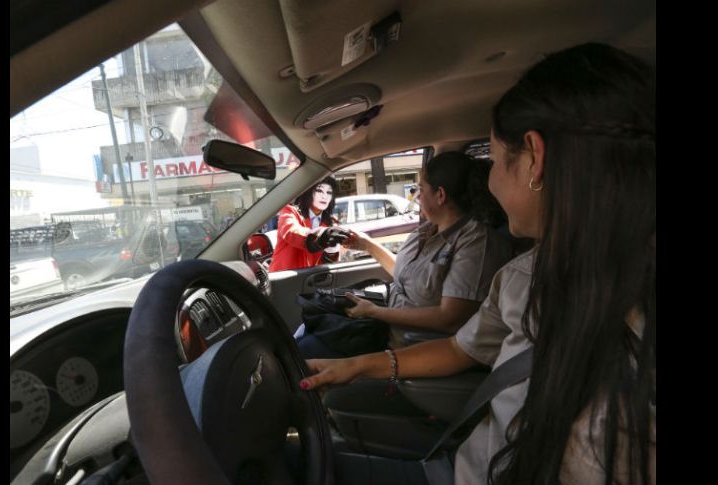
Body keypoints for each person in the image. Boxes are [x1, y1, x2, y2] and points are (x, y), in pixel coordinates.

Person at [300, 43, 655, 485]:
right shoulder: (524, 275)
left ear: (535, 159)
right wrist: (358, 365)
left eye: (491, 158)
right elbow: (459, 347)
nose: (488, 180)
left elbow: (451, 324)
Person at [296, 151, 513, 358]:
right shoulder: (426, 231)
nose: (417, 196)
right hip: (386, 326)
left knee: (306, 350)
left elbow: (449, 318)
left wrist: (374, 312)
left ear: (440, 195)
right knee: (308, 327)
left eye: (421, 189)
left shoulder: (475, 243)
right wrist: (367, 245)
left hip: (410, 345)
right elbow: (407, 277)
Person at [268, 176, 351, 272]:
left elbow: (327, 264)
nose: (324, 196)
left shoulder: (330, 224)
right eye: (319, 191)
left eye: (329, 192)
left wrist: (332, 253)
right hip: (283, 277)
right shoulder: (290, 211)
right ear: (309, 192)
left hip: (309, 280)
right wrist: (321, 235)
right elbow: (291, 232)